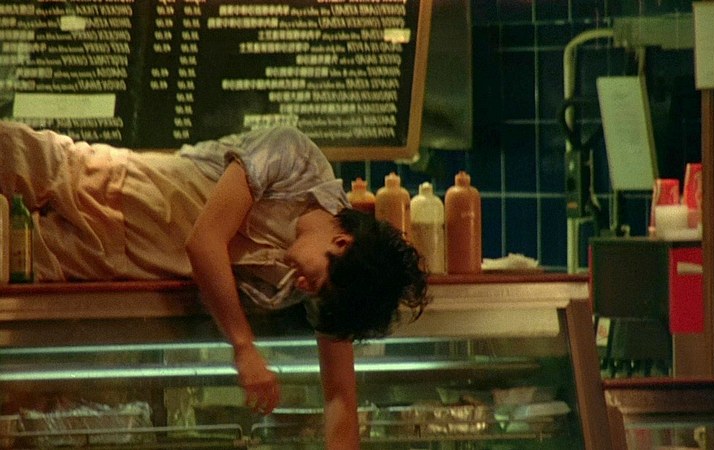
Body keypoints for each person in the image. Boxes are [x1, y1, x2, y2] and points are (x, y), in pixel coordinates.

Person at [0, 120, 429, 449]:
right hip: (85, 175)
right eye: (314, 280)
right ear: (342, 242)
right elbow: (204, 241)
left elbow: (340, 398)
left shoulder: (339, 290)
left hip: (92, 258)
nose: (304, 286)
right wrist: (244, 348)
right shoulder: (296, 161)